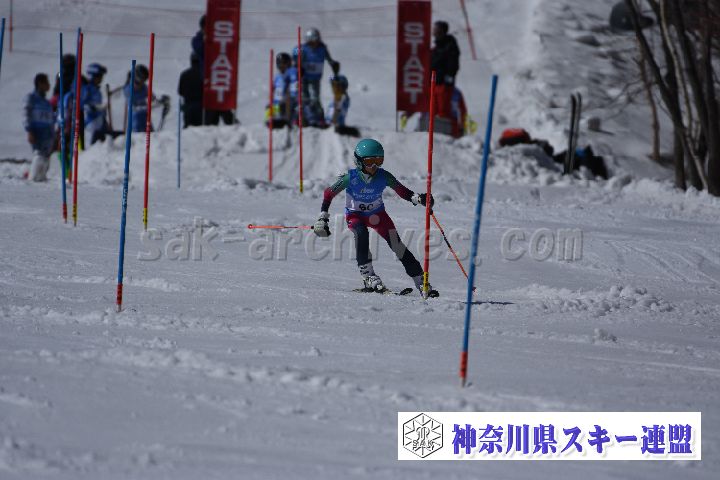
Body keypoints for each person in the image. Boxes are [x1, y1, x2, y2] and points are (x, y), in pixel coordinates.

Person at [312, 139, 438, 297]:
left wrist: (418, 198)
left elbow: (402, 191)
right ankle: (368, 276)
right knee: (361, 234)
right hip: (355, 215)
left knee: (397, 245)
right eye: (369, 161)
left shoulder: (384, 176)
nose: (374, 166)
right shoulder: (350, 178)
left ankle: (421, 281)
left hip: (378, 215)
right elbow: (328, 193)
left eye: (378, 161)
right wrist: (322, 217)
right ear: (359, 162)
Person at [292, 27, 340, 126]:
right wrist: (298, 66)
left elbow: (329, 59)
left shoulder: (322, 48)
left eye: (317, 40)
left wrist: (333, 64)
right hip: (304, 77)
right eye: (313, 41)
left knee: (315, 98)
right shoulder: (302, 48)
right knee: (304, 98)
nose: (315, 43)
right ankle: (302, 118)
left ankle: (319, 118)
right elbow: (295, 58)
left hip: (315, 78)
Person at [24, 74, 56, 182]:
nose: (49, 85)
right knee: (38, 157)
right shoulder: (31, 98)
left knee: (45, 160)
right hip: (37, 134)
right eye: (46, 82)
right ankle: (33, 179)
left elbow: (51, 120)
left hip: (47, 136)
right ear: (40, 84)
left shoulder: (47, 103)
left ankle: (41, 180)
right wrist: (29, 130)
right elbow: (26, 114)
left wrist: (53, 136)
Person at [430, 21, 460, 120]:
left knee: (443, 110)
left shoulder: (449, 45)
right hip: (434, 82)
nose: (433, 32)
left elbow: (453, 64)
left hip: (443, 84)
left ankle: (443, 128)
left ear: (442, 31)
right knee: (432, 109)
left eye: (436, 30)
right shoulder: (437, 47)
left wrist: (448, 77)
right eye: (434, 29)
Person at [267, 52, 298, 129]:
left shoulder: (291, 74)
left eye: (284, 63)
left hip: (287, 101)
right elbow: (273, 88)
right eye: (279, 64)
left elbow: (294, 89)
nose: (281, 66)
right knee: (269, 107)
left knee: (288, 105)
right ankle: (273, 121)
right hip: (277, 102)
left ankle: (288, 121)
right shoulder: (277, 77)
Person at [83, 63, 110, 144]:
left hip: (100, 121)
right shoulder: (86, 89)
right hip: (90, 122)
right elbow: (82, 104)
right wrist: (93, 108)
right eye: (99, 76)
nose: (101, 78)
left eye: (101, 76)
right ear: (92, 76)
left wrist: (104, 120)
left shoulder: (97, 90)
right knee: (91, 144)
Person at [123, 64, 151, 132]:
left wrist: (160, 101)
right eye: (142, 80)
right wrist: (147, 107)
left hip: (145, 118)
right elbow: (133, 107)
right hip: (136, 121)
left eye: (144, 80)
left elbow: (152, 97)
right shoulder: (129, 89)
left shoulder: (144, 87)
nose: (142, 83)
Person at [178, 53, 203, 128]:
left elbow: (180, 91)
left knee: (188, 129)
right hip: (201, 107)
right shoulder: (204, 74)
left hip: (188, 106)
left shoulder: (184, 74)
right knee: (200, 130)